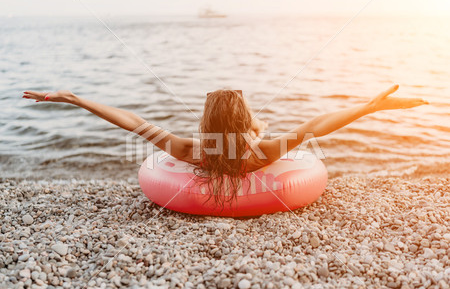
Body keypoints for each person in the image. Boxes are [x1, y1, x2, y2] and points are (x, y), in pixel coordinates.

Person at [22, 86, 428, 204]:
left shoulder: (190, 151)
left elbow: (133, 122)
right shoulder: (263, 153)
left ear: (207, 123)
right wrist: (369, 108)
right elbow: (316, 126)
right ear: (246, 119)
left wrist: (78, 100)